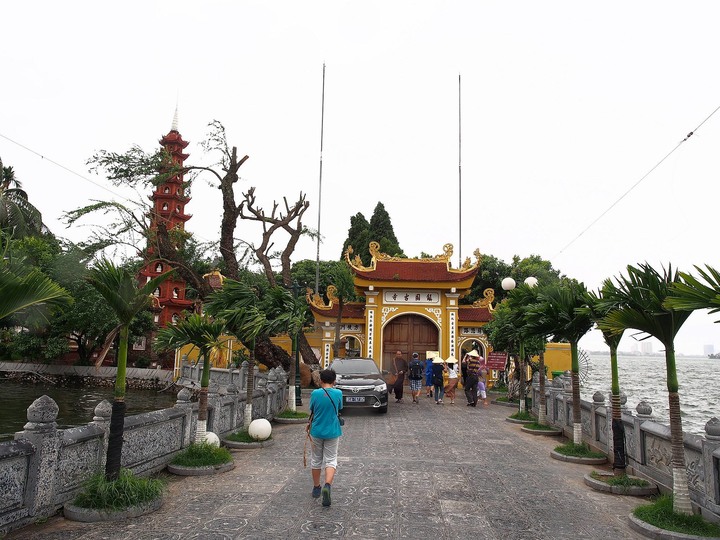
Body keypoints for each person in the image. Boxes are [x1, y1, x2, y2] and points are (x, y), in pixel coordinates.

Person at [308, 369, 343, 507]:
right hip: (333, 431)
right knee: (331, 460)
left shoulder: (315, 393)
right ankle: (327, 485)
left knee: (316, 459)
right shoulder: (338, 393)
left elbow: (312, 408)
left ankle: (316, 487)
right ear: (334, 381)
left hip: (316, 431)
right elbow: (339, 408)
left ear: (321, 380)